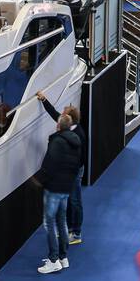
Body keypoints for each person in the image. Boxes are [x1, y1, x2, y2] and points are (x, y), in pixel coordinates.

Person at [34, 109, 83, 274]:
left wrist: (38, 180)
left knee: (49, 223)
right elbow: (76, 165)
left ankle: (54, 259)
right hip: (66, 188)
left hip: (54, 188)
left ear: (57, 126)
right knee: (62, 222)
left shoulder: (56, 142)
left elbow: (49, 164)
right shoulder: (76, 141)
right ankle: (63, 257)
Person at [39, 91, 88, 246]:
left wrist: (71, 172)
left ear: (69, 119)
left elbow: (82, 157)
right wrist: (44, 100)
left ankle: (77, 232)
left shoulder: (79, 134)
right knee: (67, 200)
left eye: (64, 114)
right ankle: (68, 229)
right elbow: (54, 114)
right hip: (68, 172)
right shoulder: (68, 125)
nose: (60, 116)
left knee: (75, 200)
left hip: (74, 172)